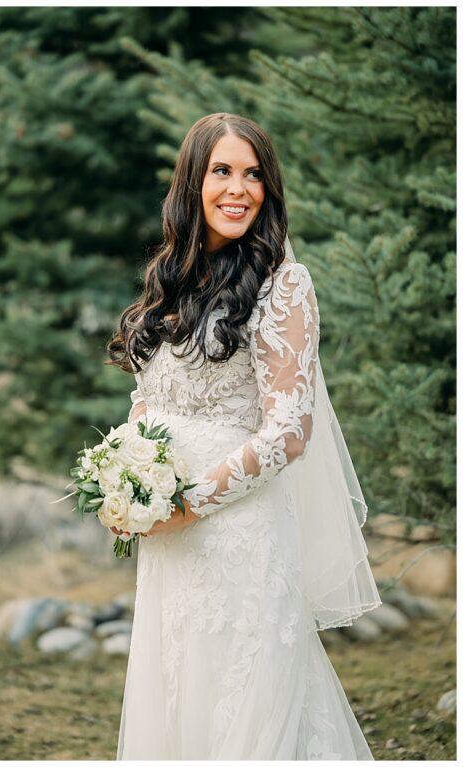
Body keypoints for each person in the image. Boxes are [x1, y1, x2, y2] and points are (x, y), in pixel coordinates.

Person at [106, 112, 380, 760]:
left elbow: (290, 429)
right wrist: (122, 484)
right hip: (171, 547)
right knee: (177, 698)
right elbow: (148, 404)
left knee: (248, 713)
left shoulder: (284, 283)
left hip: (241, 537)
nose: (239, 188)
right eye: (222, 171)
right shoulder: (171, 278)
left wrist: (185, 502)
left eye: (254, 174)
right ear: (192, 184)